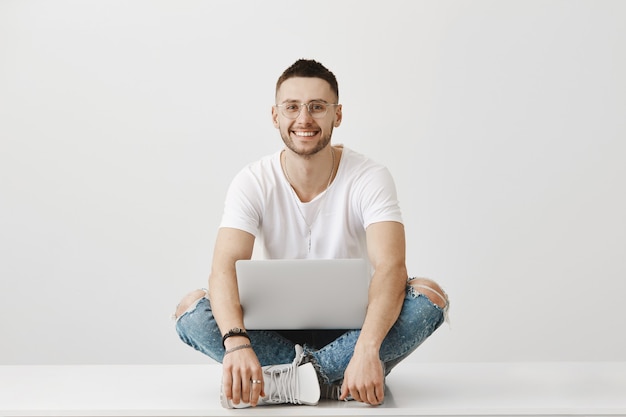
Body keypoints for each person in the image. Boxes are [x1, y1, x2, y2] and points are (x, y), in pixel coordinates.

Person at [173, 59, 449, 408]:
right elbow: (224, 266)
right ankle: (331, 380)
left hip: (352, 331)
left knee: (429, 297)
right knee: (191, 311)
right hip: (272, 329)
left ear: (338, 115)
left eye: (318, 107)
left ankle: (287, 381)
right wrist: (238, 345)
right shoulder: (252, 179)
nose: (304, 119)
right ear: (275, 116)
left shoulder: (370, 176)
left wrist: (365, 347)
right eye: (292, 107)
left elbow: (392, 267)